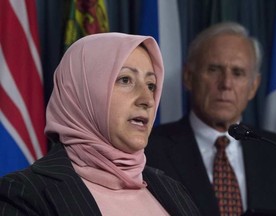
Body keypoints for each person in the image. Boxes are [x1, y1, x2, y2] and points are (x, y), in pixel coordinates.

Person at [0, 33, 200, 216]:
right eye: (125, 80)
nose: (147, 99)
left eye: (151, 85)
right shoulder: (23, 193)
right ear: (81, 93)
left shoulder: (172, 189)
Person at [145, 22, 276, 216]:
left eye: (237, 73)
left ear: (254, 86)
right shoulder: (149, 150)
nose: (226, 84)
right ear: (188, 76)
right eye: (213, 69)